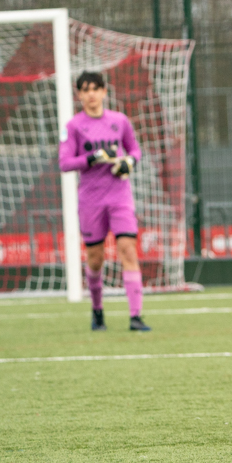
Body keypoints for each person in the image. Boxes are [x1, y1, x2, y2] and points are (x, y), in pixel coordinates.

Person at [58, 71, 149, 332]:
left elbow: (134, 150)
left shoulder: (119, 121)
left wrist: (129, 162)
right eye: (85, 90)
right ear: (79, 95)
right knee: (95, 259)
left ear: (104, 92)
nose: (91, 94)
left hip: (120, 196)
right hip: (91, 200)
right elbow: (65, 163)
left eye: (95, 89)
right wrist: (94, 157)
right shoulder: (74, 127)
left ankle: (135, 316)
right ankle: (97, 311)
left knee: (128, 250)